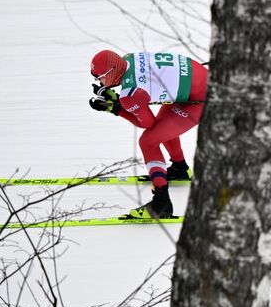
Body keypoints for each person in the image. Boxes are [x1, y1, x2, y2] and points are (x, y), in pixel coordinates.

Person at [89, 49, 208, 219]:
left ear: (112, 72)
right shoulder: (128, 58)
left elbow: (146, 123)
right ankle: (180, 168)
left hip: (199, 101)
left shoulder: (129, 94)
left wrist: (116, 109)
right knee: (161, 129)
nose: (99, 81)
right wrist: (119, 105)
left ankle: (161, 203)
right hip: (197, 83)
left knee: (148, 141)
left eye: (100, 76)